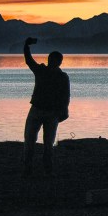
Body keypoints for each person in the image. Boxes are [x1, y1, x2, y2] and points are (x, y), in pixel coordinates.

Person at [22, 37, 70, 176]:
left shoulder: (60, 76)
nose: (53, 62)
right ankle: (31, 169)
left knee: (45, 143)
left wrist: (63, 111)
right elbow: (29, 61)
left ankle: (44, 170)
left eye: (55, 60)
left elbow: (65, 96)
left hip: (49, 112)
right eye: (53, 60)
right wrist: (26, 47)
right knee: (32, 141)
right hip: (40, 110)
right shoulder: (42, 71)